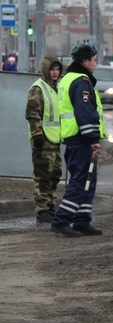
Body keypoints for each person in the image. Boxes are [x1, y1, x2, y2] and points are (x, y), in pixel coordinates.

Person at [50, 42, 106, 238]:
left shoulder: (67, 79)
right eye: (94, 60)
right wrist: (93, 138)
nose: (96, 64)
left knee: (87, 181)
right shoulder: (82, 81)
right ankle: (61, 220)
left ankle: (82, 221)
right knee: (81, 181)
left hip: (74, 138)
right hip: (82, 139)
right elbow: (85, 112)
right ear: (85, 61)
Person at [25, 56, 63, 223]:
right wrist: (37, 134)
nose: (55, 72)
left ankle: (51, 206)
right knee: (42, 176)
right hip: (43, 139)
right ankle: (42, 210)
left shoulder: (57, 88)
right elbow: (32, 114)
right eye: (52, 69)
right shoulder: (38, 88)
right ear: (46, 70)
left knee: (55, 174)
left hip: (55, 140)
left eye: (57, 69)